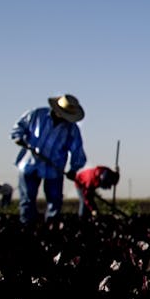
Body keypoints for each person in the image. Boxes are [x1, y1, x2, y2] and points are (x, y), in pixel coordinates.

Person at [10, 94, 87, 224]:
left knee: (55, 201)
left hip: (54, 169)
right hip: (29, 164)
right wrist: (19, 138)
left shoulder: (71, 129)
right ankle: (27, 227)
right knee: (27, 199)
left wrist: (73, 169)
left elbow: (77, 151)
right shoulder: (37, 115)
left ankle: (51, 228)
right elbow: (18, 128)